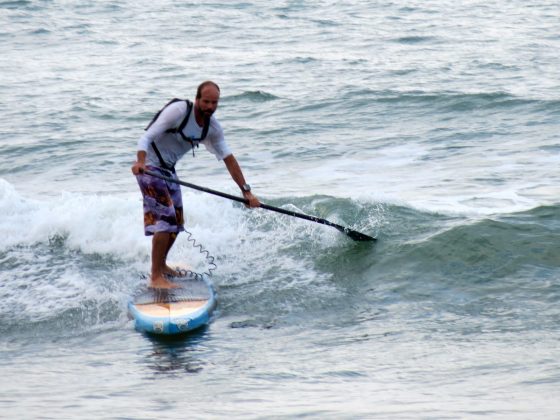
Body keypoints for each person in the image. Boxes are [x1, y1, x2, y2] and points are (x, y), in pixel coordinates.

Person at [131, 81, 260, 288]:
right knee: (165, 221)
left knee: (176, 222)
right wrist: (140, 161)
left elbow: (229, 158)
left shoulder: (212, 127)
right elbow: (146, 137)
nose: (210, 106)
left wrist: (246, 192)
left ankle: (162, 266)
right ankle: (155, 277)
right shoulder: (179, 111)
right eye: (206, 101)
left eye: (214, 103)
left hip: (168, 171)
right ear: (197, 99)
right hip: (149, 168)